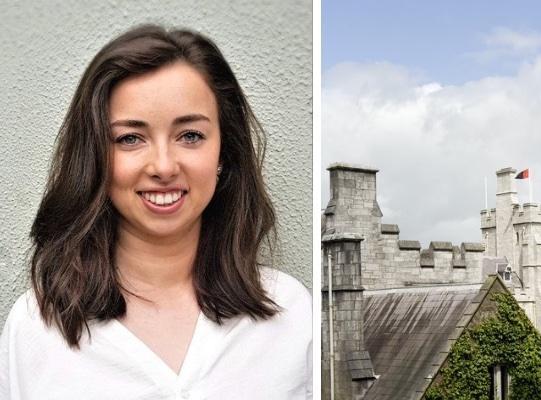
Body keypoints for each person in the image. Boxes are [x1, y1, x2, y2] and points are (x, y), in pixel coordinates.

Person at [0, 25, 311, 399]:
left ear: (224, 153)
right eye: (130, 138)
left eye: (190, 135)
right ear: (97, 156)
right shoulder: (37, 327)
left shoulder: (291, 314)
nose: (163, 167)